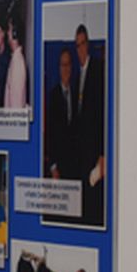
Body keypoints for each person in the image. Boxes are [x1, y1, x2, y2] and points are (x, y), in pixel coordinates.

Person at [73, 23, 107, 227]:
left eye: (83, 43)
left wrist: (102, 155)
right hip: (81, 153)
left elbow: (104, 114)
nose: (80, 49)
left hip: (95, 154)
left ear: (89, 44)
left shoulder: (98, 70)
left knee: (95, 203)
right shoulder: (77, 75)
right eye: (77, 45)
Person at [44, 46, 80, 183]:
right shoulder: (53, 96)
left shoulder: (77, 94)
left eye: (68, 64)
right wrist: (53, 167)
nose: (66, 68)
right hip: (58, 169)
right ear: (59, 68)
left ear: (72, 66)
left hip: (75, 167)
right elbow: (49, 134)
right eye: (63, 65)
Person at [4, 18, 29, 109]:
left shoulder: (17, 63)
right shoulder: (15, 58)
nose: (7, 33)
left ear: (15, 34)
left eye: (9, 30)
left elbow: (16, 106)